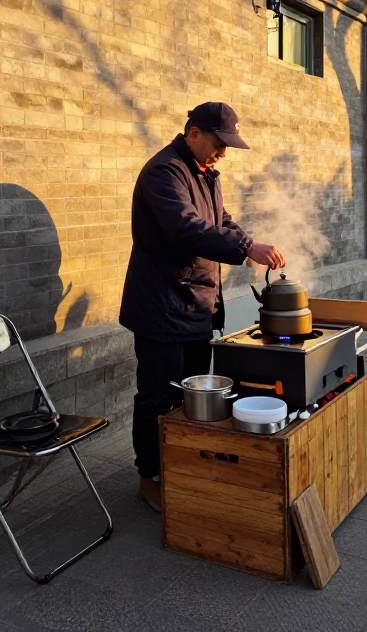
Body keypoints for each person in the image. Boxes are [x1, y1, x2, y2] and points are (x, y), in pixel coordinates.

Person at [120, 103, 285, 512]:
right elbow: (187, 228)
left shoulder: (205, 174)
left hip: (195, 306)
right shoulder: (165, 172)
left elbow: (221, 221)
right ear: (194, 132)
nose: (223, 153)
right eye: (218, 143)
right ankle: (150, 477)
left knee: (192, 396)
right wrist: (248, 247)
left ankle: (182, 467)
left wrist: (248, 244)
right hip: (161, 307)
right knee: (158, 396)